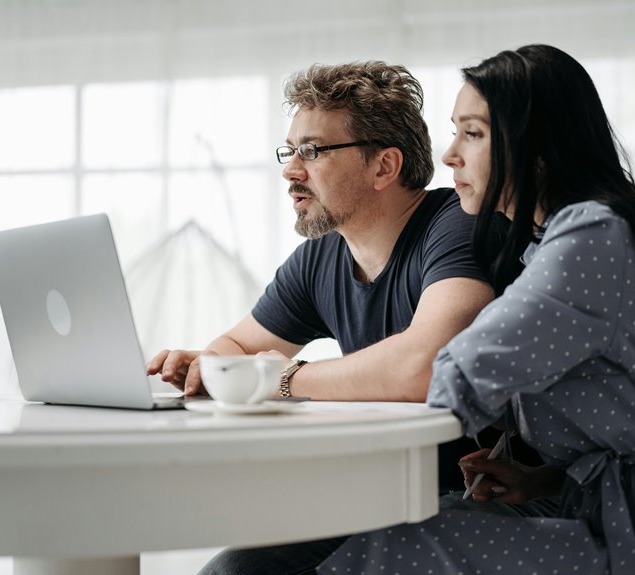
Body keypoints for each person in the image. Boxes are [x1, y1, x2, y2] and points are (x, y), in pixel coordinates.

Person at [319, 44, 635, 574]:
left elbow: (446, 375)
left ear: (535, 147)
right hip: (633, 512)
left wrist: (288, 380)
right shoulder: (568, 236)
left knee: (394, 547)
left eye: (473, 134)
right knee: (418, 530)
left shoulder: (592, 238)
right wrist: (540, 480)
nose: (450, 155)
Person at [148, 61, 499, 574]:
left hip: (486, 492)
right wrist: (212, 367)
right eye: (289, 151)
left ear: (384, 167)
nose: (291, 170)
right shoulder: (321, 257)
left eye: (312, 151)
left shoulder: (457, 227)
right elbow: (236, 347)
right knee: (234, 570)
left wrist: (282, 379)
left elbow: (425, 367)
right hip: (388, 494)